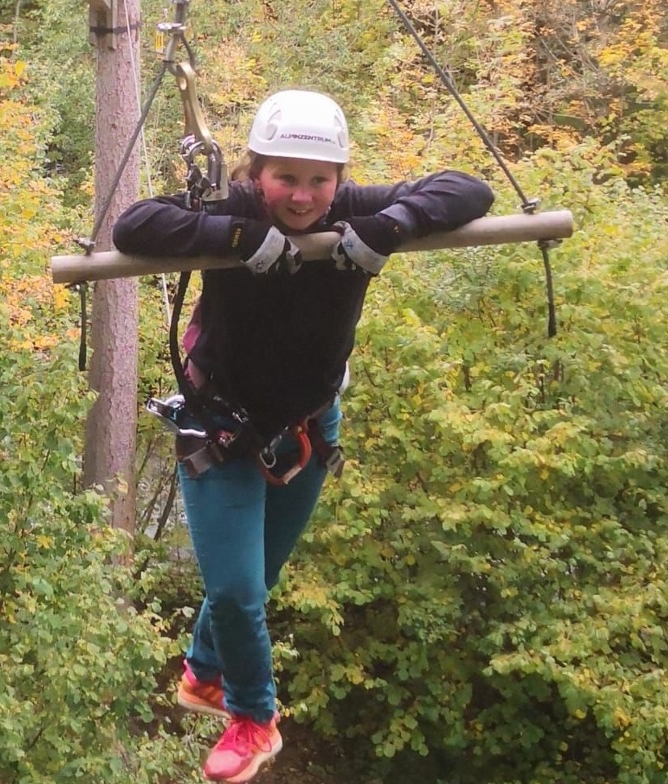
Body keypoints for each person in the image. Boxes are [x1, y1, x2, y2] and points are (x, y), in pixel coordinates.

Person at [112, 89, 495, 783]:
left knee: (255, 579)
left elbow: (470, 188)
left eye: (319, 180)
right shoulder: (234, 207)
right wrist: (237, 238)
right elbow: (136, 225)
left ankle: (204, 671)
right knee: (236, 591)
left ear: (339, 180)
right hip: (221, 427)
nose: (301, 195)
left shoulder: (354, 209)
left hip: (308, 425)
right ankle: (254, 718)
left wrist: (394, 225)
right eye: (284, 177)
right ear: (256, 173)